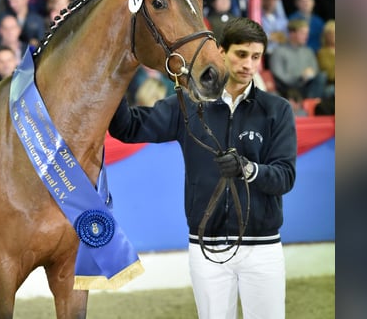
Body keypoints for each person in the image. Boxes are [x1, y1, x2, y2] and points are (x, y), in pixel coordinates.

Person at [108, 17, 296, 319]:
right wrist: (115, 75)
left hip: (262, 249)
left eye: (256, 57)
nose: (249, 64)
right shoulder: (188, 104)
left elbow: (285, 177)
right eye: (241, 54)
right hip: (205, 248)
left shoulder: (277, 110)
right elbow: (128, 128)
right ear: (220, 51)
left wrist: (248, 169)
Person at [270, 18, 327, 99]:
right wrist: (300, 77)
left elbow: (315, 71)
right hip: (289, 89)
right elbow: (279, 77)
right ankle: (310, 105)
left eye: (307, 33)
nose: (306, 37)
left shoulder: (308, 51)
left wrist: (310, 74)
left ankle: (311, 104)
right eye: (303, 33)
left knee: (322, 77)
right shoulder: (279, 52)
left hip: (307, 86)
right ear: (292, 34)